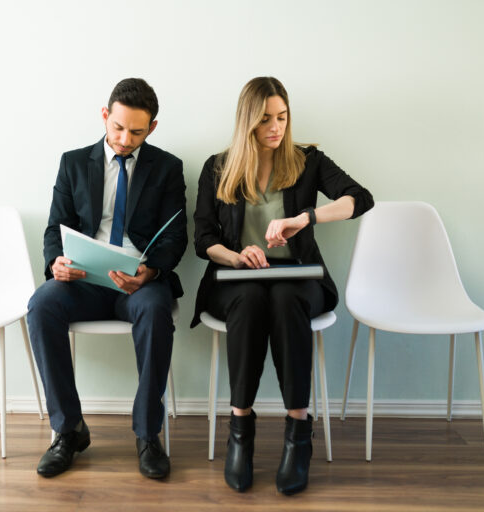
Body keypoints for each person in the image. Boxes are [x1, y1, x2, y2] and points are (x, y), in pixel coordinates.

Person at [191, 77, 373, 494]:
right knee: (251, 298)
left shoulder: (307, 161)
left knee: (287, 297)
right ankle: (240, 429)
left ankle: (298, 432)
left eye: (282, 117)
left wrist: (306, 217)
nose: (275, 127)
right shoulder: (217, 167)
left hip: (299, 276)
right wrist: (236, 256)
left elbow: (359, 198)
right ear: (247, 121)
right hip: (237, 276)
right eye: (265, 119)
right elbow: (204, 239)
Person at [27, 78, 187, 479]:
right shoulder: (73, 163)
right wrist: (56, 262)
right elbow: (55, 227)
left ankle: (147, 434)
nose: (125, 139)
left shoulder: (167, 168)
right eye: (118, 127)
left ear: (152, 127)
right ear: (104, 116)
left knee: (156, 311)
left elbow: (175, 235)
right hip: (83, 279)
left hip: (138, 283)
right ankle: (68, 430)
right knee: (41, 305)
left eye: (137, 132)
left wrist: (151, 271)